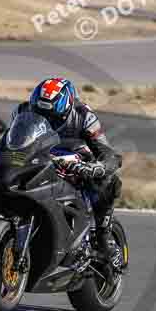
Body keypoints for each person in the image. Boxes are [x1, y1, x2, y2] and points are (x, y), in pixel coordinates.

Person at [14, 77, 123, 270]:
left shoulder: (84, 116)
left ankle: (104, 236)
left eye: (53, 117)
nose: (48, 120)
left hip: (77, 160)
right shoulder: (23, 111)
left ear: (68, 109)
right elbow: (12, 142)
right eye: (42, 114)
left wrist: (94, 168)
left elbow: (109, 155)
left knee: (109, 180)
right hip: (40, 158)